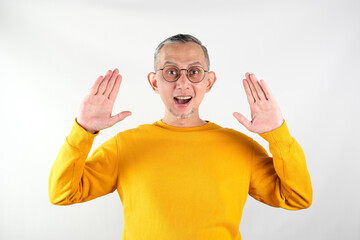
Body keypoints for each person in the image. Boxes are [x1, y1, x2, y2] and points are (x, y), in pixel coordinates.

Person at [49, 34, 312, 240]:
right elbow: (62, 193)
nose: (183, 83)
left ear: (209, 82)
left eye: (194, 72)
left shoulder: (241, 147)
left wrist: (277, 133)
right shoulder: (125, 146)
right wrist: (83, 130)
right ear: (154, 82)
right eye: (171, 71)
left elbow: (297, 197)